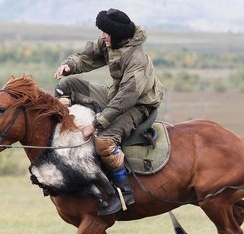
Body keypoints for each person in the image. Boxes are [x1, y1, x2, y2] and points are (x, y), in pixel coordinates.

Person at [54, 8, 164, 215]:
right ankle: (63, 139)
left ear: (119, 36)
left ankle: (124, 191)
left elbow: (127, 98)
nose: (102, 36)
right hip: (116, 95)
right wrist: (69, 65)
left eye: (106, 32)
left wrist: (95, 124)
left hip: (138, 104)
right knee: (67, 86)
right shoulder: (110, 42)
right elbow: (87, 58)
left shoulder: (136, 60)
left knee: (104, 141)